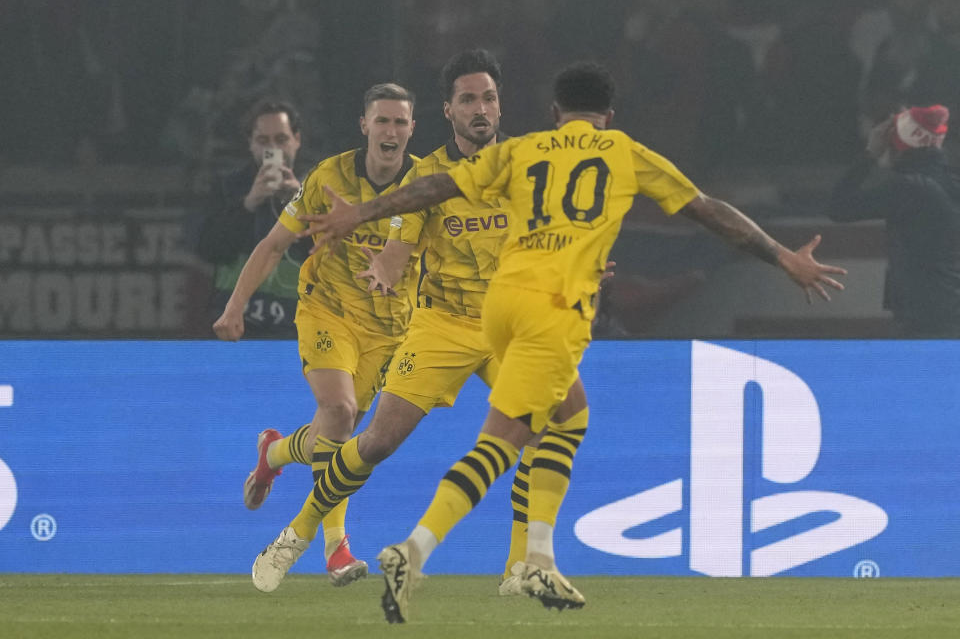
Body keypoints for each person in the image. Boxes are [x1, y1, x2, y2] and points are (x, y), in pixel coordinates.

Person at [300, 62, 846, 622]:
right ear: (608, 116)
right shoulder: (624, 151)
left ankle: (537, 556)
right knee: (503, 443)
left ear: (555, 113)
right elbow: (710, 212)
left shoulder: (523, 150)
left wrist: (362, 212)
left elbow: (436, 185)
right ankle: (414, 552)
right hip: (551, 310)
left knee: (565, 416)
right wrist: (782, 256)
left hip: (499, 303)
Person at [247, 48, 593, 599]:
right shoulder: (429, 176)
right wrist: (386, 262)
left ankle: (518, 570)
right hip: (443, 327)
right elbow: (400, 242)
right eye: (468, 99)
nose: (480, 107)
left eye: (489, 97)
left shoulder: (531, 166)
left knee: (544, 428)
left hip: (511, 327)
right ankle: (296, 533)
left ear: (499, 106)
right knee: (378, 441)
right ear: (448, 111)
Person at [213, 83, 420, 589]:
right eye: (382, 121)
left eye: (399, 122)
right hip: (327, 310)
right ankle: (336, 546)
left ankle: (275, 453)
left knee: (338, 432)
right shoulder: (327, 178)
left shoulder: (426, 187)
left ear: (412, 129)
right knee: (342, 413)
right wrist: (235, 306)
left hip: (390, 329)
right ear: (364, 126)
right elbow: (274, 243)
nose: (390, 131)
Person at [828, 105, 960, 337]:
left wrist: (869, 154)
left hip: (923, 317)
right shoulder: (951, 183)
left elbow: (838, 207)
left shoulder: (908, 187)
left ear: (899, 144)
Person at [197, 99, 309, 338]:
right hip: (237, 323)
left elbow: (337, 252)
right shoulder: (227, 187)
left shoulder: (320, 185)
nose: (273, 149)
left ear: (296, 140)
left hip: (300, 324)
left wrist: (301, 202)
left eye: (281, 140)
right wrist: (248, 204)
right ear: (250, 144)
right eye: (263, 141)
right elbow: (208, 249)